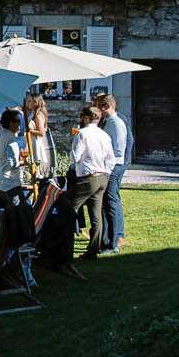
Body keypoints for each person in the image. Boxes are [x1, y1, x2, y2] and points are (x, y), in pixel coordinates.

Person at [68, 107, 116, 262]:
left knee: (69, 210)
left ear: (86, 118)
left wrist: (74, 169)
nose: (80, 119)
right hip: (102, 176)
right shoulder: (104, 135)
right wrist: (106, 174)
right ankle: (94, 249)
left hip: (88, 177)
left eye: (82, 116)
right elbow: (111, 159)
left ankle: (65, 247)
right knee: (96, 215)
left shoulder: (82, 134)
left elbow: (76, 156)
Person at [94, 92, 131, 254]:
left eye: (99, 107)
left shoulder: (116, 123)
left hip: (113, 167)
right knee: (104, 203)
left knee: (111, 201)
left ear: (106, 107)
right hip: (107, 167)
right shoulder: (108, 121)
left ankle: (114, 241)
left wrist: (107, 169)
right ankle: (106, 239)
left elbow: (117, 151)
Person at [0, 108, 27, 197]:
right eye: (17, 121)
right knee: (17, 210)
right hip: (11, 185)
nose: (19, 124)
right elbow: (12, 163)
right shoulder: (11, 139)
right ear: (10, 123)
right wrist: (23, 162)